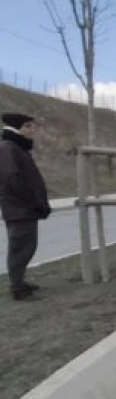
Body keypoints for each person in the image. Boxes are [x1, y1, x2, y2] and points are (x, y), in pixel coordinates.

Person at [0, 113, 51, 301]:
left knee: (27, 247)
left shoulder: (17, 148)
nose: (32, 130)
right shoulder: (8, 148)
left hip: (24, 209)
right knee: (19, 248)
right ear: (18, 128)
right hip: (19, 209)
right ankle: (17, 288)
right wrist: (34, 202)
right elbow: (13, 180)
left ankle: (20, 281)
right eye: (28, 126)